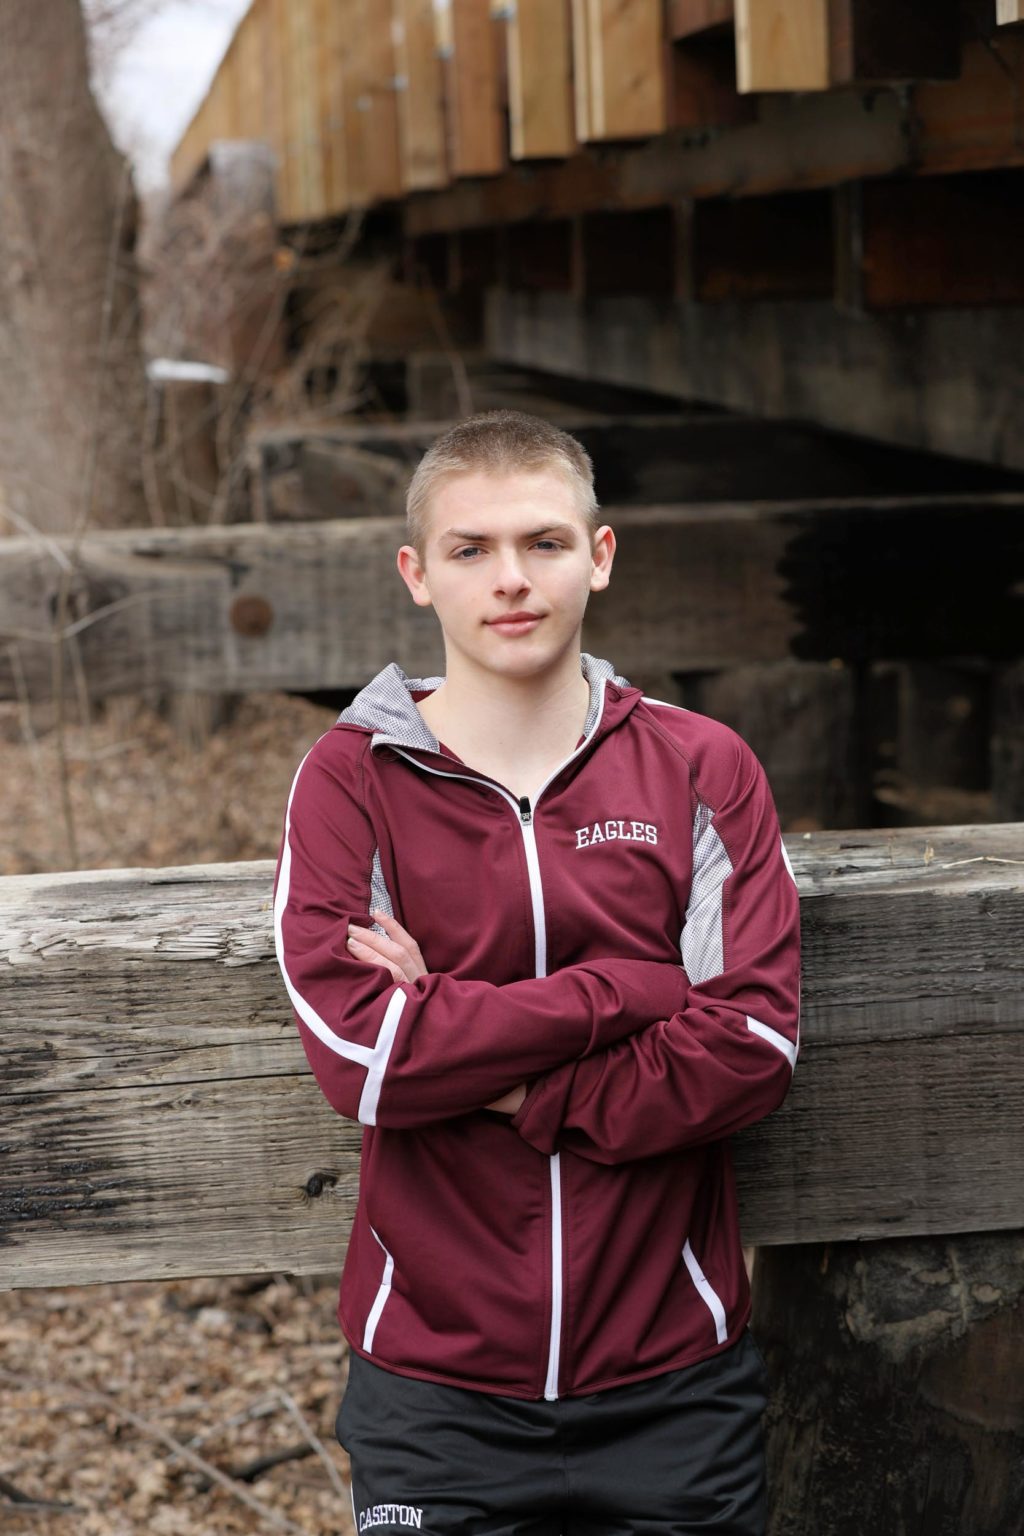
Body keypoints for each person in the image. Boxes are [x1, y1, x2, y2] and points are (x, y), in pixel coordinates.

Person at [273, 410, 801, 1536]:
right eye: (471, 550)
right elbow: (369, 1061)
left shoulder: (702, 767)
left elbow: (750, 1050)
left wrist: (512, 1074)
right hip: (433, 1388)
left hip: (673, 1379)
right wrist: (637, 991)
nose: (509, 580)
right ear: (417, 576)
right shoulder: (351, 779)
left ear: (598, 557)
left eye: (543, 543)